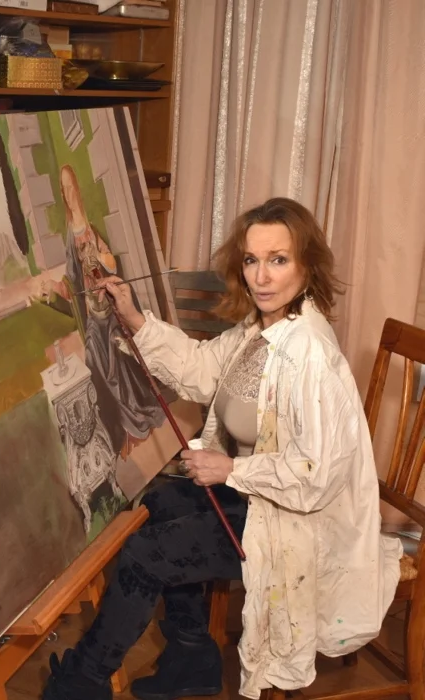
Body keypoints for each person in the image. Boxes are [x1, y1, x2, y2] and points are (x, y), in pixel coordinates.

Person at [41, 197, 403, 700]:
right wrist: (135, 318)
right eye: (252, 260)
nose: (261, 276)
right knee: (158, 502)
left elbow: (316, 473)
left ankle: (83, 683)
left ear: (307, 265)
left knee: (146, 553)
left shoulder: (310, 355)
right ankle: (191, 657)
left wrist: (230, 468)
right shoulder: (263, 327)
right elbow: (202, 368)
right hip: (262, 501)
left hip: (295, 526)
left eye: (278, 260)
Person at [43, 164, 173, 459]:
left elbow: (111, 262)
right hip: (93, 313)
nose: (69, 193)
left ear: (77, 189)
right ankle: (117, 428)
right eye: (64, 189)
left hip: (110, 309)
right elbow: (72, 278)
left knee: (117, 357)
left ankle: (134, 416)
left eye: (71, 186)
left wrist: (104, 259)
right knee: (93, 357)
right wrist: (57, 286)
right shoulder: (70, 236)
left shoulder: (90, 228)